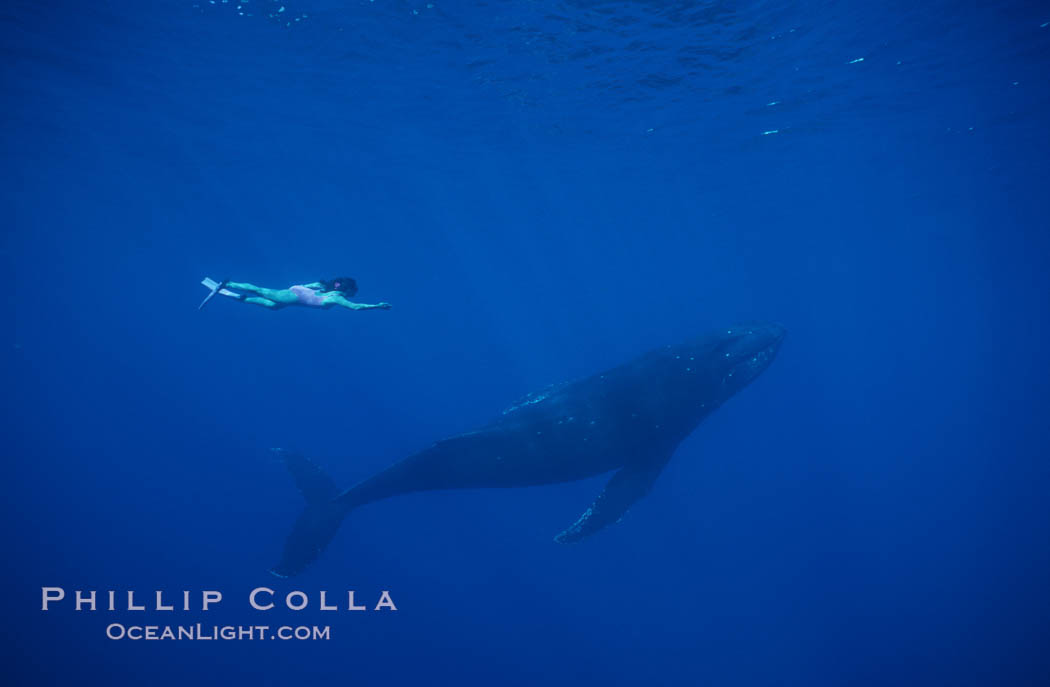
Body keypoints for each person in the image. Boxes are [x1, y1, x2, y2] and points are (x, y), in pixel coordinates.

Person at [200, 276, 391, 311]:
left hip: (295, 297)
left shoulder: (328, 291)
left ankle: (230, 294)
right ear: (345, 290)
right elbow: (356, 307)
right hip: (294, 297)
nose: (352, 294)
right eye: (351, 291)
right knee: (262, 291)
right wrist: (376, 306)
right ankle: (228, 283)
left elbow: (311, 286)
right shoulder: (335, 297)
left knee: (270, 305)